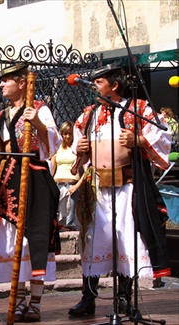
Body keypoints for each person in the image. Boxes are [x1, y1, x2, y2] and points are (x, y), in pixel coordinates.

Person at [68, 64, 172, 317]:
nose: (94, 86)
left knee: (127, 239)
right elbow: (75, 141)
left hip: (127, 186)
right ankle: (88, 297)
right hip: (97, 188)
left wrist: (139, 140)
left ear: (114, 85)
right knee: (93, 241)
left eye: (99, 82)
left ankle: (124, 298)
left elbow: (163, 132)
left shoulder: (137, 108)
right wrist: (79, 147)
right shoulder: (89, 114)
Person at [0, 63, 61, 322]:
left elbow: (53, 143)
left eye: (6, 81)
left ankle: (35, 302)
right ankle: (15, 298)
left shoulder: (40, 109)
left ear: (22, 83)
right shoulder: (1, 116)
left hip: (34, 178)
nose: (1, 85)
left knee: (35, 239)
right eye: (1, 81)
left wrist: (36, 123)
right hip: (9, 180)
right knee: (12, 240)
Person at [51, 121, 82, 231]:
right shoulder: (57, 148)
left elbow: (88, 170)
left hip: (72, 184)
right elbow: (52, 168)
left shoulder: (77, 149)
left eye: (70, 133)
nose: (68, 136)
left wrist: (76, 186)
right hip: (58, 183)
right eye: (65, 134)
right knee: (58, 218)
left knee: (70, 221)